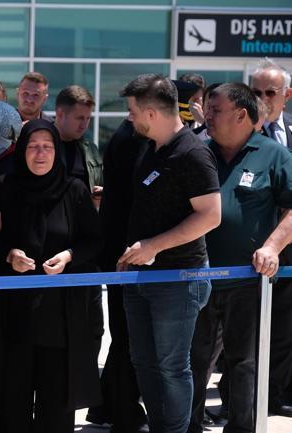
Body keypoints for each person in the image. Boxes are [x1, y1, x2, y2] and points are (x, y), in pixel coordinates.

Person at [0, 119, 102, 432]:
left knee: (56, 409)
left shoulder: (74, 189)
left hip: (60, 319)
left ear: (56, 150)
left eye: (47, 147)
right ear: (22, 150)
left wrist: (68, 256)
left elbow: (93, 240)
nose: (40, 153)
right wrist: (9, 254)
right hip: (13, 317)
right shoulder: (6, 187)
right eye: (33, 146)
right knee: (13, 404)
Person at [117, 74, 221, 433]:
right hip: (141, 278)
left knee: (172, 366)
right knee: (143, 362)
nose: (129, 118)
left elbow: (211, 215)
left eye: (132, 111)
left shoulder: (192, 152)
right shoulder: (153, 148)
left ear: (150, 112)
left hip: (177, 280)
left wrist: (153, 246)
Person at [188, 82, 292, 433]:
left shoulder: (273, 154)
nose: (208, 117)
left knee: (243, 363)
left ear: (241, 115)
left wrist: (272, 247)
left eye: (215, 110)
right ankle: (190, 425)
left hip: (247, 280)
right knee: (194, 359)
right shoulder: (198, 151)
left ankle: (241, 428)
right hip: (195, 277)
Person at [88, 118, 149, 433]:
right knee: (128, 337)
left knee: (125, 336)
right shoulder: (133, 139)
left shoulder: (127, 135)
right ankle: (123, 413)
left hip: (121, 251)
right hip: (128, 254)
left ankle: (106, 405)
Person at [251, 58, 292, 418]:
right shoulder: (241, 132)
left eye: (270, 92)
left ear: (287, 96)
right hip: (254, 246)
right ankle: (241, 399)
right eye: (255, 92)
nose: (262, 99)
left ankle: (274, 396)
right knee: (245, 332)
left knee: (283, 327)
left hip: (289, 248)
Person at [53, 85, 103, 209]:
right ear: (60, 114)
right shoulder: (41, 146)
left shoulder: (90, 149)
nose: (84, 125)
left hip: (85, 222)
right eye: (80, 118)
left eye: (88, 119)